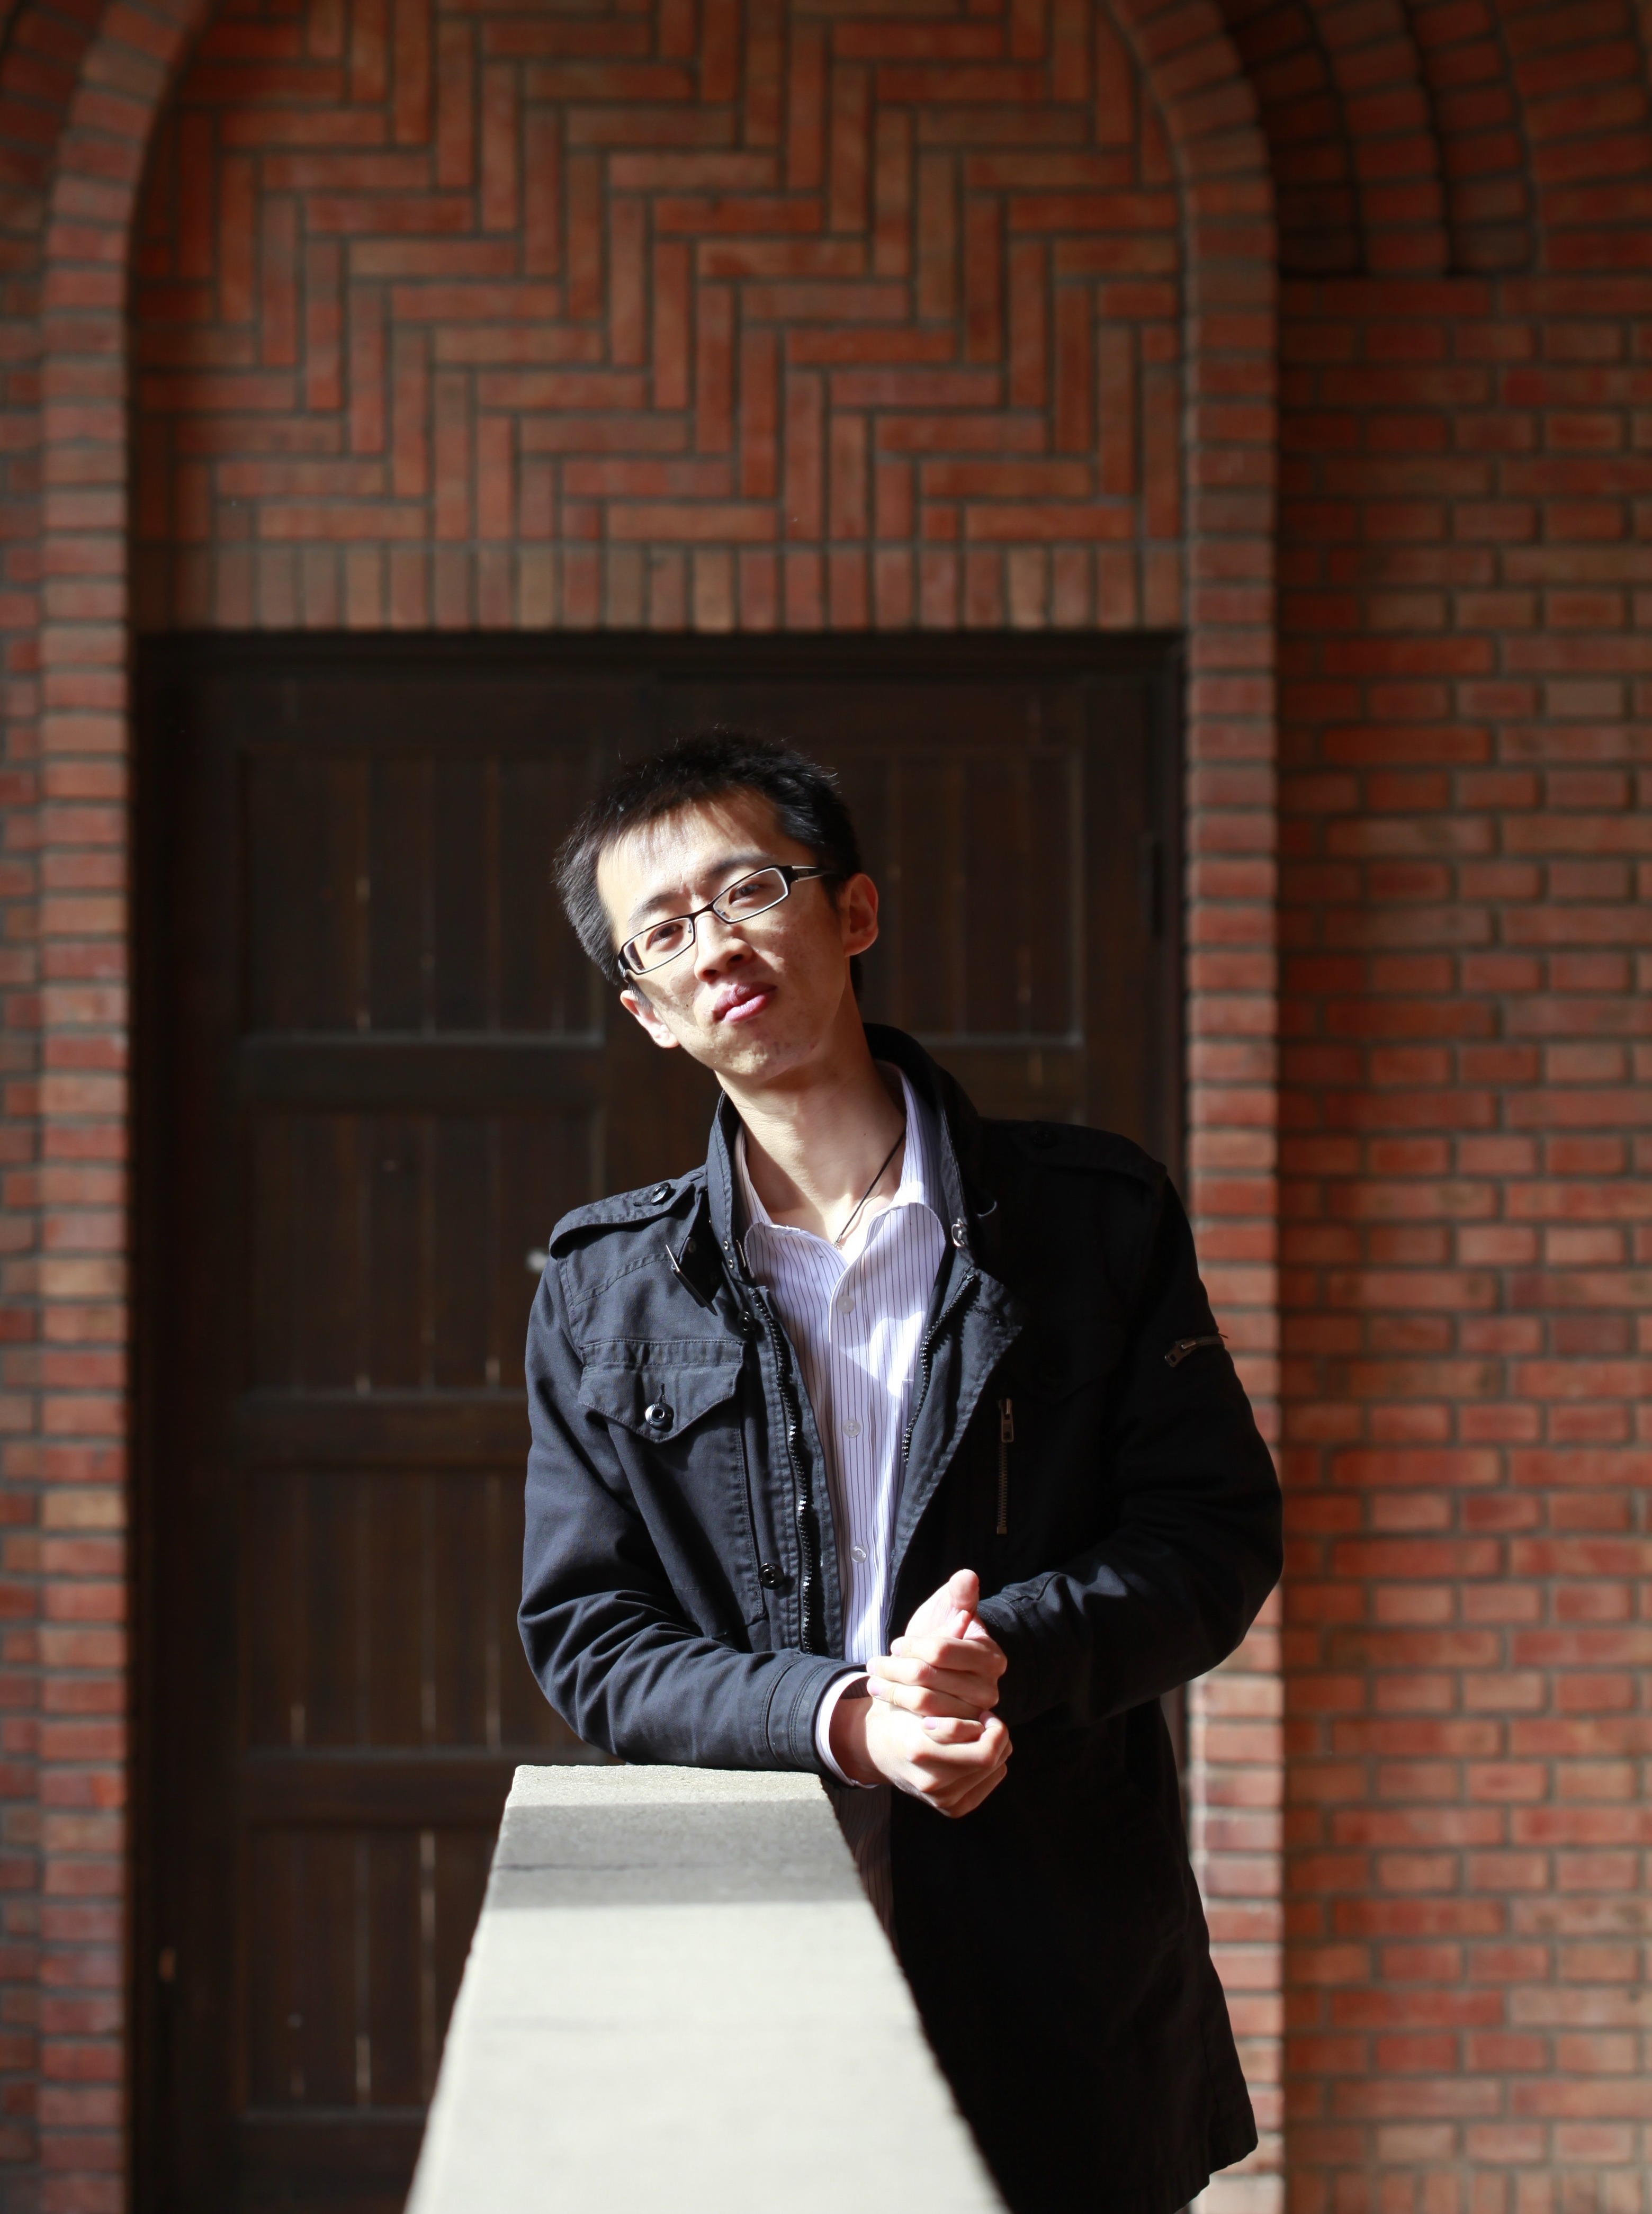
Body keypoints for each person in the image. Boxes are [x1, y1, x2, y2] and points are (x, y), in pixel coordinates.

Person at [520, 732, 1282, 2214]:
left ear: (852, 911)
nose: (715, 943)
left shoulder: (1091, 1220)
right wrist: (848, 1719)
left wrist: (1008, 1653)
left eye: (751, 889)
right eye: (662, 931)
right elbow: (588, 1636)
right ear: (647, 1011)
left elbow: (1211, 1536)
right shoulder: (605, 1289)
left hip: (1057, 1944)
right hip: (746, 1944)